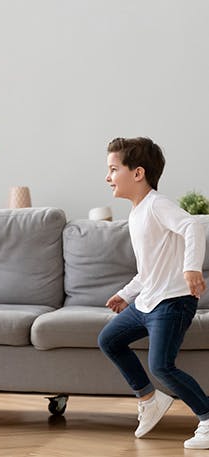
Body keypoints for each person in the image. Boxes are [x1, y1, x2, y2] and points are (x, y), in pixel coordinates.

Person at [98, 137, 209, 449]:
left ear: (137, 173)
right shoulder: (137, 213)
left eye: (113, 169)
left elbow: (192, 227)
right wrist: (126, 294)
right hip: (148, 301)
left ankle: (208, 417)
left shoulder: (157, 205)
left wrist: (191, 268)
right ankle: (150, 399)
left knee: (161, 366)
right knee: (109, 339)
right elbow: (148, 272)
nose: (108, 177)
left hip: (172, 302)